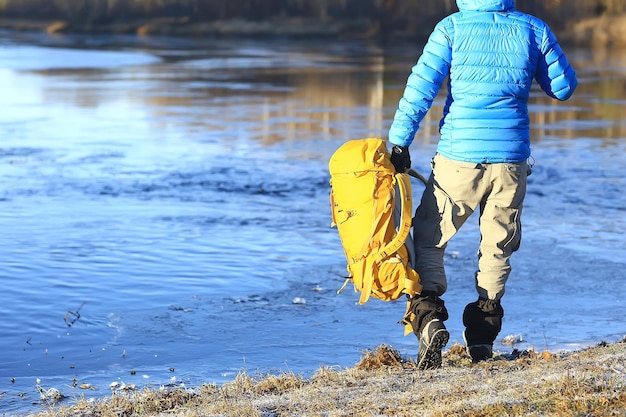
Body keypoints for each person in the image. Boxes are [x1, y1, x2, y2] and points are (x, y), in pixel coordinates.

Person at [388, 0, 578, 369]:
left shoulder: (451, 28)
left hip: (459, 158)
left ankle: (429, 319)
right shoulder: (532, 28)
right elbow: (564, 88)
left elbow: (421, 87)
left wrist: (400, 141)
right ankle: (481, 338)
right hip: (510, 160)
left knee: (429, 236)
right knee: (498, 245)